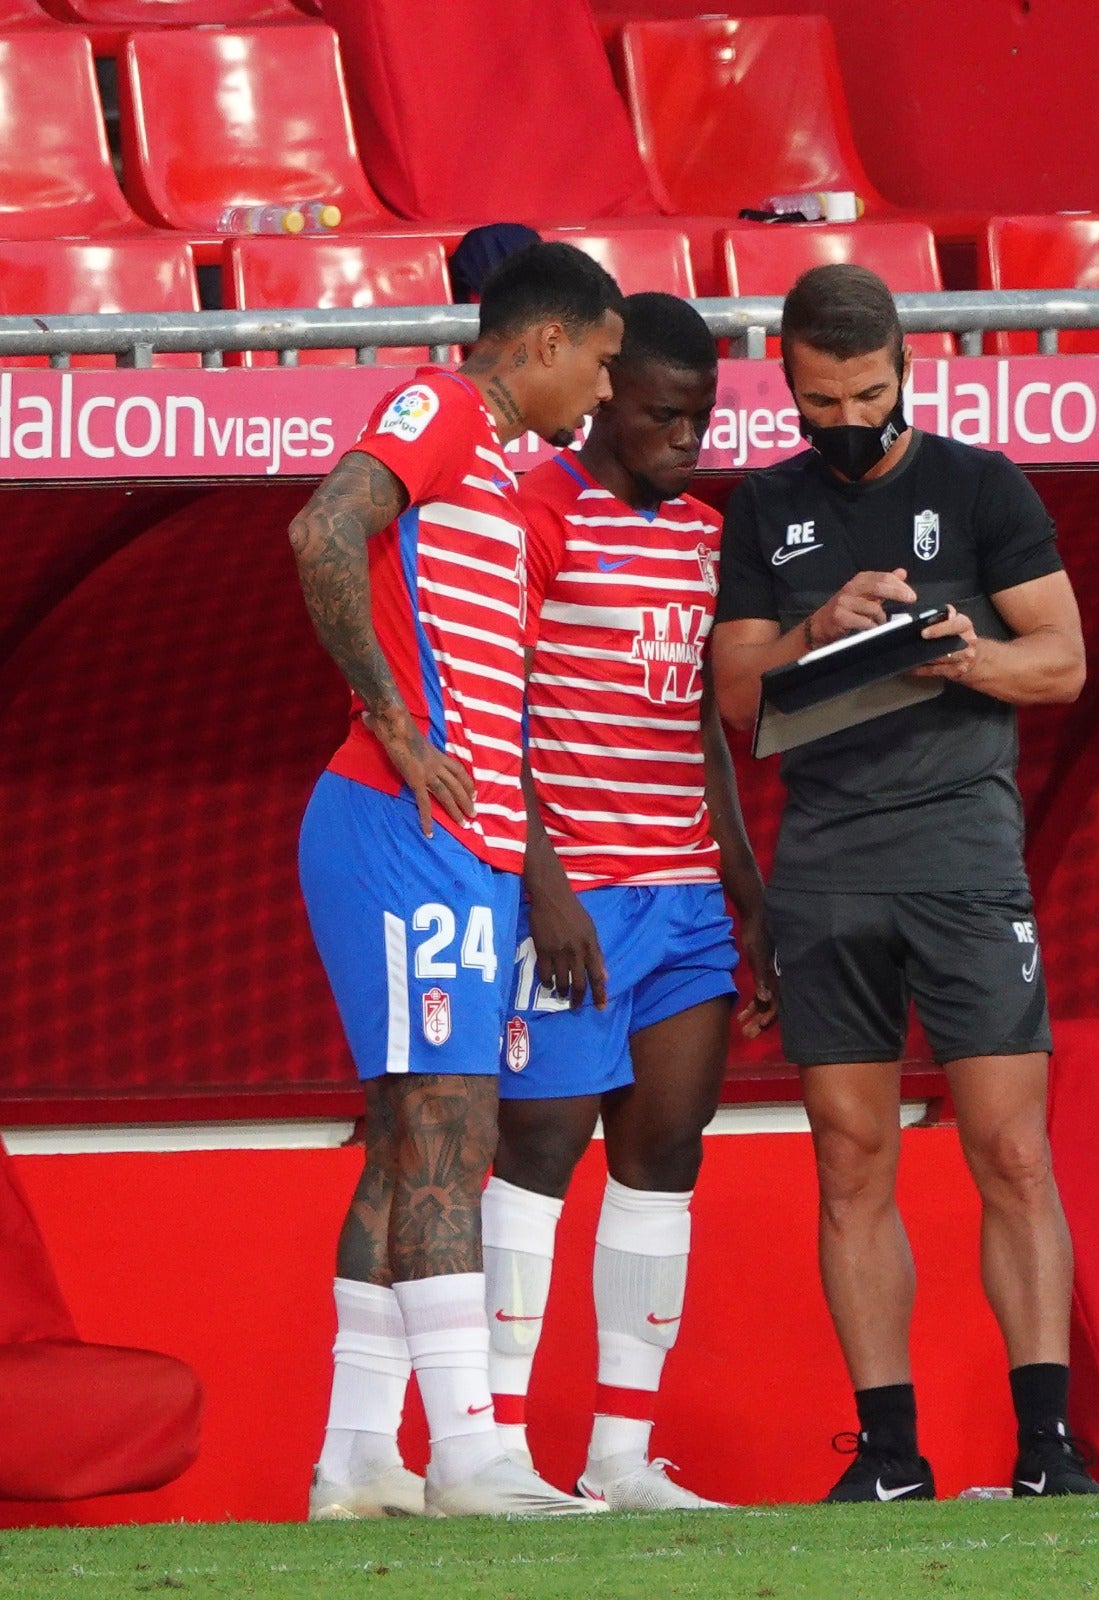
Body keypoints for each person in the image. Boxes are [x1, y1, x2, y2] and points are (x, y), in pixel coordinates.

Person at [711, 264, 1099, 1501]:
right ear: (786, 380)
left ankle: (1047, 1446)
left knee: (1011, 1150)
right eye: (820, 401)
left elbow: (1064, 664)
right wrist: (818, 625)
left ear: (905, 373)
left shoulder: (980, 484)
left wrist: (964, 654)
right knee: (847, 1154)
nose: (845, 422)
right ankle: (888, 1455)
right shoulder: (762, 508)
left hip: (964, 859)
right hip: (827, 866)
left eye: (867, 394)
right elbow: (732, 696)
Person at [290, 241, 624, 1520]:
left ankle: (361, 1448)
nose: (596, 396)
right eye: (595, 364)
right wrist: (392, 719)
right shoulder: (436, 408)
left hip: (458, 844)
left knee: (408, 1138)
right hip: (401, 825)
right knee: (449, 1125)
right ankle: (473, 1446)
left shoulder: (507, 469)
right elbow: (322, 525)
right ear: (543, 343)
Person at [479, 292, 776, 1511]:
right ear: (608, 396)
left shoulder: (708, 537)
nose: (686, 437)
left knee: (664, 1151)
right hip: (571, 891)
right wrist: (542, 884)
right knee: (542, 1144)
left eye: (702, 417)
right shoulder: (535, 511)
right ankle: (493, 1444)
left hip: (684, 894)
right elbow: (494, 712)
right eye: (663, 413)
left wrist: (748, 894)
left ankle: (619, 1452)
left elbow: (706, 726)